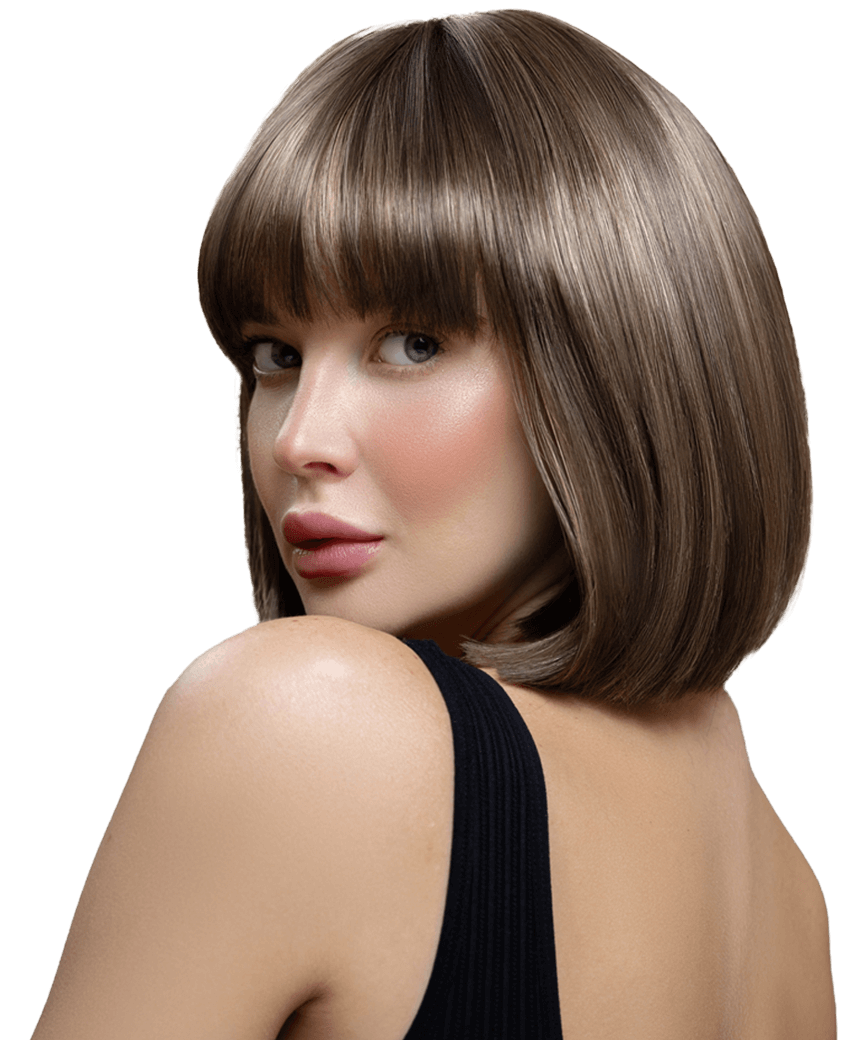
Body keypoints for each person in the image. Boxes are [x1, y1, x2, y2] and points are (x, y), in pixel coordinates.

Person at [32, 11, 834, 1039]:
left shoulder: (303, 722)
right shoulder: (785, 891)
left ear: (619, 371)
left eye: (411, 343)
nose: (297, 440)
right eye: (274, 355)